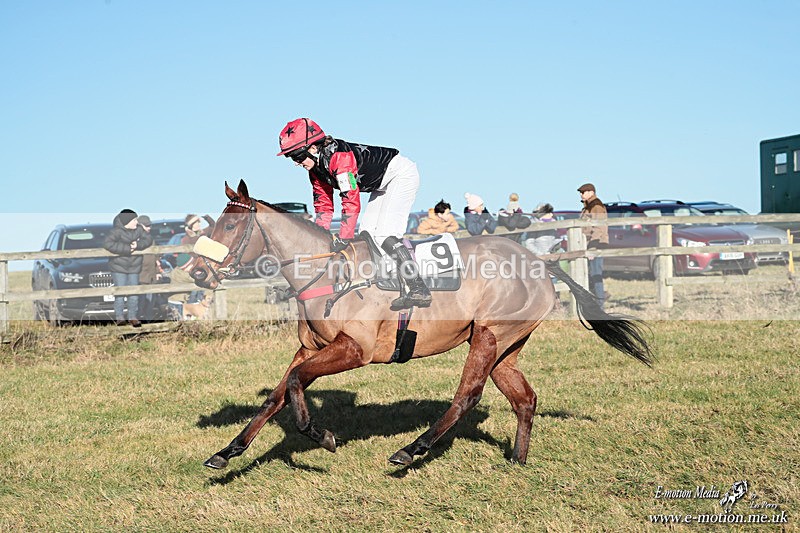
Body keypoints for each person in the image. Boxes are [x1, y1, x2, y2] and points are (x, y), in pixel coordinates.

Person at [277, 117, 431, 309]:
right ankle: (389, 278)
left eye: (297, 157)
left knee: (384, 234)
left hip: (401, 175)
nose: (296, 163)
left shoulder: (339, 158)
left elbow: (350, 200)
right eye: (292, 158)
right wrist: (318, 237)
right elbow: (323, 207)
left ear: (313, 148)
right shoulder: (316, 171)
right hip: (381, 184)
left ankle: (418, 288)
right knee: (367, 232)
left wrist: (344, 236)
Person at [103, 209, 153, 327]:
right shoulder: (116, 231)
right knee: (120, 293)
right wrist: (127, 249)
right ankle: (119, 317)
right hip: (119, 267)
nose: (137, 222)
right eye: (134, 220)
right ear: (128, 221)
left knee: (134, 293)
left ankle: (132, 316)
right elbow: (108, 244)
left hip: (134, 267)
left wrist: (138, 245)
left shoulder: (139, 230)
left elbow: (148, 240)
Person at [578, 183, 609, 308]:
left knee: (596, 275)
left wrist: (593, 246)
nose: (581, 194)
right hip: (591, 243)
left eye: (583, 192)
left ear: (591, 192)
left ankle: (600, 303)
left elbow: (599, 227)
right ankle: (598, 299)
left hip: (596, 244)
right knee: (591, 274)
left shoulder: (596, 206)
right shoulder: (588, 206)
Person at [180, 214, 215, 305]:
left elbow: (213, 227)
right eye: (195, 223)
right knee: (194, 290)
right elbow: (189, 253)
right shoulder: (186, 238)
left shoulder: (202, 233)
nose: (198, 225)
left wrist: (207, 217)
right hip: (193, 265)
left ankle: (199, 309)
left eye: (198, 222)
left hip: (204, 264)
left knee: (202, 289)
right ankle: (191, 308)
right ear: (190, 225)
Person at [136, 215, 165, 322]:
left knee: (151, 301)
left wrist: (158, 271)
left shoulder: (151, 239)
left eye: (150, 226)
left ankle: (148, 320)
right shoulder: (135, 238)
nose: (149, 228)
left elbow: (155, 257)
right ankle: (138, 320)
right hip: (140, 275)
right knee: (141, 301)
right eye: (147, 226)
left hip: (151, 275)